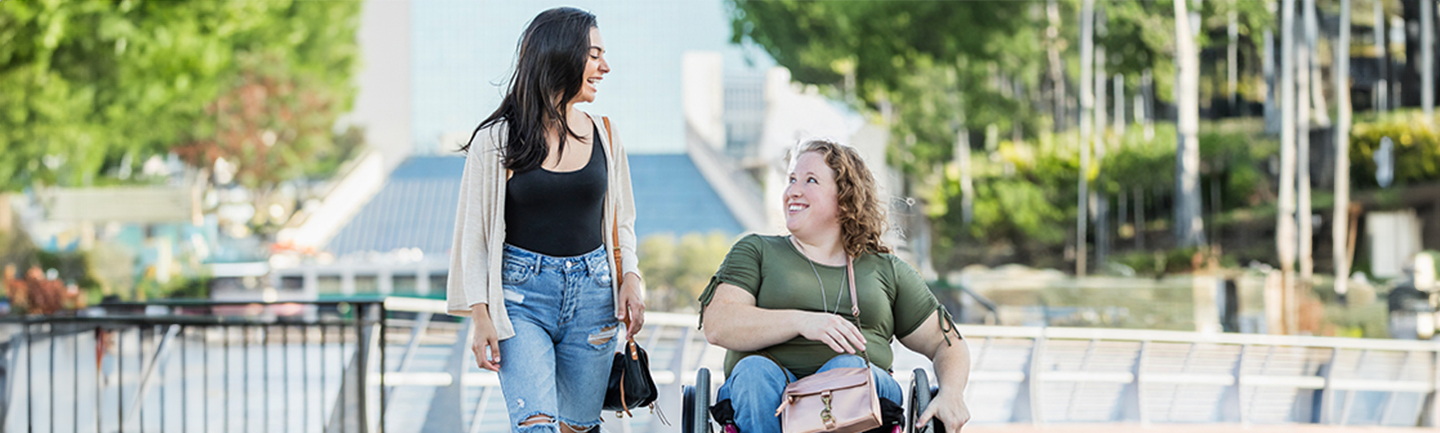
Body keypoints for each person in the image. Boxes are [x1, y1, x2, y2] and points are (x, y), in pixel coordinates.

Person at [445, 7, 644, 433]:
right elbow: (474, 238)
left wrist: (632, 278)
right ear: (561, 55)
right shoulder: (497, 139)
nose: (605, 67)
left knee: (578, 428)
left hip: (595, 298)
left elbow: (622, 220)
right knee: (535, 426)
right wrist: (480, 317)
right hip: (520, 301)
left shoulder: (606, 134)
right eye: (594, 55)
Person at [699, 139, 971, 433]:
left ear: (845, 199)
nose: (793, 191)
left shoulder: (887, 270)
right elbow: (718, 324)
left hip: (860, 398)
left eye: (810, 180)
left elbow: (948, 343)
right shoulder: (756, 251)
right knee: (754, 372)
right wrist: (803, 322)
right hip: (763, 398)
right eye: (791, 180)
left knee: (845, 370)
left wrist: (951, 394)